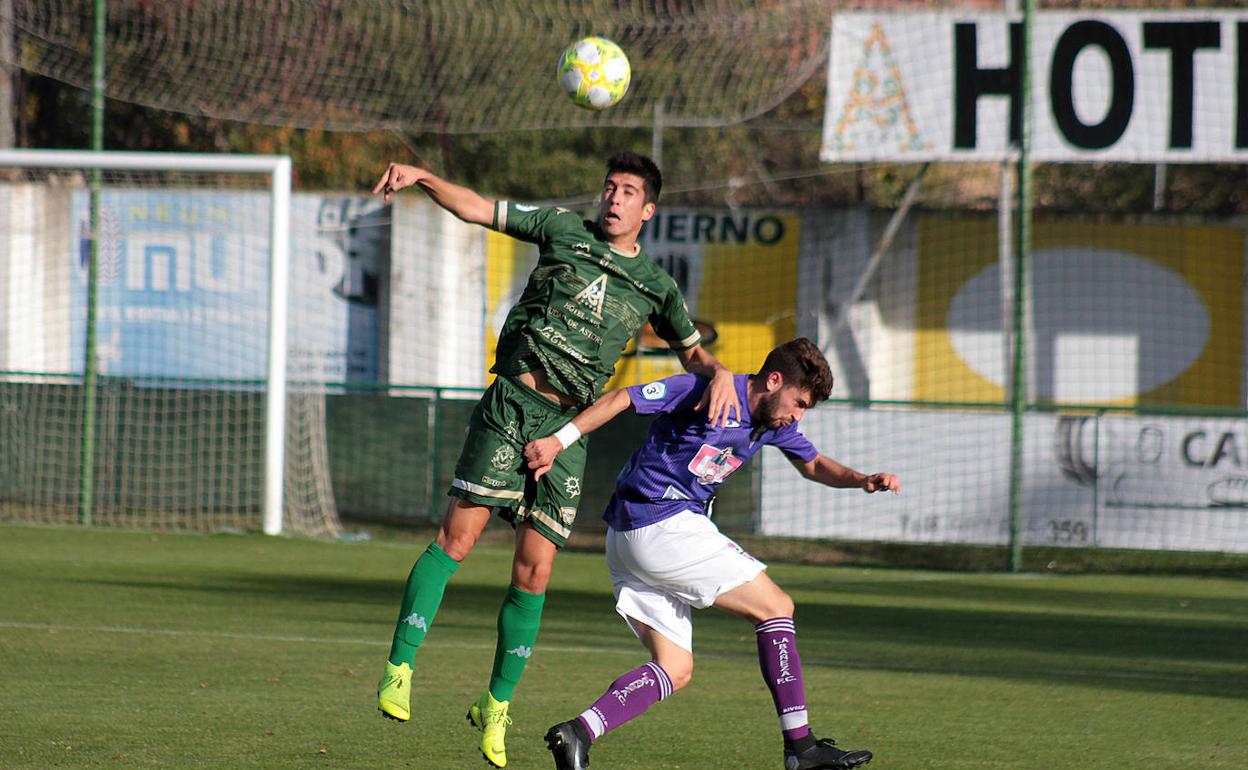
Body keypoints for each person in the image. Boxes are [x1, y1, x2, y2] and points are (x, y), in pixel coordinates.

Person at [371, 151, 740, 768]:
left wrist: (721, 372)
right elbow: (477, 209)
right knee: (457, 539)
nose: (614, 198)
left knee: (534, 574)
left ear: (647, 210)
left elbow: (694, 356)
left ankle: (495, 707)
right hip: (514, 402)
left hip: (568, 430)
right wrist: (424, 178)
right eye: (610, 187)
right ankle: (399, 666)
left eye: (628, 192)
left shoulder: (656, 286)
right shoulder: (561, 228)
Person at [523, 337, 898, 770]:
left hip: (628, 540)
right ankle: (801, 747)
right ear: (774, 380)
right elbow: (623, 398)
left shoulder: (771, 424)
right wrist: (558, 440)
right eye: (798, 402)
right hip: (660, 523)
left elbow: (813, 464)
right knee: (776, 606)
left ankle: (578, 733)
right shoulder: (706, 391)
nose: (798, 415)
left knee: (675, 667)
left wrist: (861, 479)